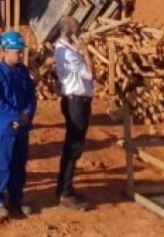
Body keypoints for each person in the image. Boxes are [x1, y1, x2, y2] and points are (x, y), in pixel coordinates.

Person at [0, 30, 37, 218]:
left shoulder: (23, 71)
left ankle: (16, 199)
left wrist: (27, 115)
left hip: (22, 126)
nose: (20, 54)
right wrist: (15, 117)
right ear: (5, 51)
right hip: (5, 128)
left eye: (20, 51)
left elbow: (31, 96)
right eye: (16, 51)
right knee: (2, 164)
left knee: (18, 164)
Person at [54, 15, 94, 211]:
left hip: (77, 100)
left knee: (73, 145)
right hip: (76, 103)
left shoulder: (67, 48)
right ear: (69, 32)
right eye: (77, 30)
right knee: (74, 147)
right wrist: (85, 52)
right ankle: (65, 192)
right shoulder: (66, 53)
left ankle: (64, 187)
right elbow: (89, 73)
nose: (80, 33)